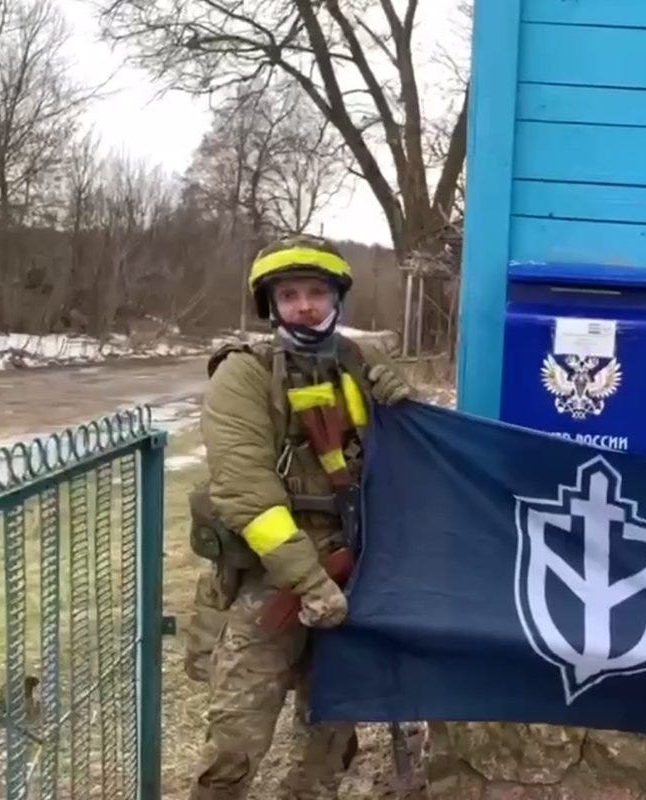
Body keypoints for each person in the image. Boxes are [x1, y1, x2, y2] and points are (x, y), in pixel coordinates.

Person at [183, 234, 414, 800]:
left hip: (355, 571)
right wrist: (309, 583)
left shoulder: (363, 365)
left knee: (329, 733)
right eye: (289, 295)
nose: (305, 306)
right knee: (236, 733)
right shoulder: (243, 375)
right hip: (271, 580)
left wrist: (407, 406)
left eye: (316, 292)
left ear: (337, 297)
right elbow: (245, 491)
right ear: (271, 304)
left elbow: (411, 461)